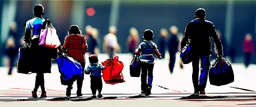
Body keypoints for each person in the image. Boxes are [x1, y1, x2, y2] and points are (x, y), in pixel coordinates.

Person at [181, 8, 223, 96]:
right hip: (205, 50)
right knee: (204, 69)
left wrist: (182, 51)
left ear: (196, 15)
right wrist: (220, 52)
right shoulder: (209, 24)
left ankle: (196, 89)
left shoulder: (191, 24)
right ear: (205, 16)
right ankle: (202, 88)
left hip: (194, 50)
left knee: (195, 69)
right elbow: (216, 39)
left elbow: (185, 38)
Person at [24, 4, 53, 98]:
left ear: (34, 12)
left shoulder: (29, 22)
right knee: (40, 71)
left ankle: (36, 90)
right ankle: (41, 91)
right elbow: (51, 35)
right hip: (45, 47)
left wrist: (27, 45)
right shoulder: (46, 22)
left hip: (34, 46)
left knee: (38, 71)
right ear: (43, 12)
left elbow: (27, 37)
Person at [62, 25, 88, 97]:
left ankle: (69, 89)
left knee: (70, 74)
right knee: (80, 75)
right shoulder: (82, 37)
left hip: (71, 59)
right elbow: (85, 47)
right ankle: (79, 91)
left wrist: (65, 52)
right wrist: (81, 52)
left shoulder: (68, 38)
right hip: (80, 59)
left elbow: (64, 47)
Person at [135, 29, 162, 96]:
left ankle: (143, 90)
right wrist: (159, 56)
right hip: (151, 62)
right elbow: (157, 52)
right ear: (152, 37)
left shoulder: (142, 44)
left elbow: (137, 52)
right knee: (150, 74)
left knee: (143, 75)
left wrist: (137, 54)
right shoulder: (153, 44)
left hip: (143, 61)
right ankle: (149, 85)